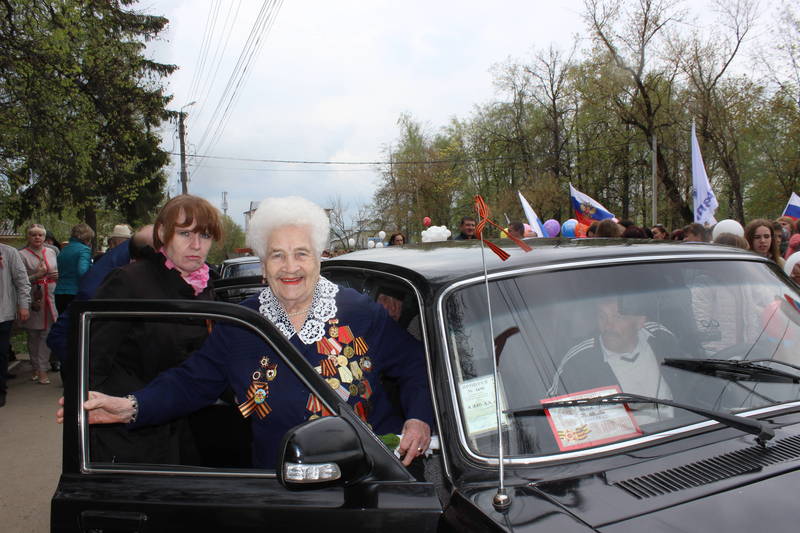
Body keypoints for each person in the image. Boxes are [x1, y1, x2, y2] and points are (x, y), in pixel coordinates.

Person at [61, 196, 434, 469]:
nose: (290, 267)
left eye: (302, 253)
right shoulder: (240, 323)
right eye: (277, 255)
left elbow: (416, 363)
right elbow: (189, 382)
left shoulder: (359, 311)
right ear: (262, 263)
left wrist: (418, 417)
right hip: (278, 484)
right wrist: (130, 406)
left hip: (367, 476)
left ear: (320, 258)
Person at [87, 195, 223, 464]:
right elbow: (90, 363)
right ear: (163, 233)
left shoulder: (205, 286)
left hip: (185, 430)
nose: (196, 245)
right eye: (185, 233)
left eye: (205, 235)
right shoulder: (129, 282)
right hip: (128, 435)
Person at [548, 295, 678, 422]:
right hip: (628, 443)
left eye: (617, 317)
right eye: (602, 317)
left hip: (683, 433)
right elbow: (553, 411)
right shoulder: (578, 361)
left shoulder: (661, 337)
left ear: (639, 321)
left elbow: (690, 382)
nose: (608, 326)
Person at [47, 225, 154, 365]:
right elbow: (83, 272)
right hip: (89, 299)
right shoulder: (93, 254)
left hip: (62, 292)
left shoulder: (65, 250)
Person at [19, 224, 59, 384]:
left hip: (50, 297)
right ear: (28, 237)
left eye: (40, 235)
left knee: (46, 334)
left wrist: (57, 276)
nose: (37, 238)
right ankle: (36, 367)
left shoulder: (51, 251)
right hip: (32, 299)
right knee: (33, 335)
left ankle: (42, 369)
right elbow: (19, 280)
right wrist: (37, 275)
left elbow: (56, 271)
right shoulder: (21, 255)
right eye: (33, 235)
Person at [0, 243, 30, 407]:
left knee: (1, 353)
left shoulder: (9, 252)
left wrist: (23, 305)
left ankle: (1, 390)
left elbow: (22, 281)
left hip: (2, 313)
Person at [54, 223, 94, 314]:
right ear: (87, 237)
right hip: (75, 293)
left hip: (59, 293)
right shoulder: (84, 250)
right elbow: (82, 272)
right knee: (76, 325)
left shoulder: (64, 249)